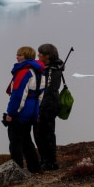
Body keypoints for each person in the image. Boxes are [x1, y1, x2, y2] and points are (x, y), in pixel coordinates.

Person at [5, 46, 44, 173]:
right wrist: (37, 112)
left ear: (26, 56)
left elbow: (18, 95)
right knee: (27, 140)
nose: (17, 57)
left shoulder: (23, 72)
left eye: (20, 55)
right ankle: (35, 167)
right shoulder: (39, 72)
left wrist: (11, 113)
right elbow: (41, 95)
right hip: (32, 111)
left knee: (15, 142)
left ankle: (17, 170)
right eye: (17, 55)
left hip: (21, 112)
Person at [35, 43, 64, 171]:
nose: (38, 55)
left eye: (40, 53)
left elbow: (49, 90)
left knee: (44, 134)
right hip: (51, 104)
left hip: (48, 106)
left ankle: (48, 162)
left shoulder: (51, 70)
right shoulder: (54, 67)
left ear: (47, 56)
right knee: (47, 133)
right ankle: (49, 161)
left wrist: (41, 110)